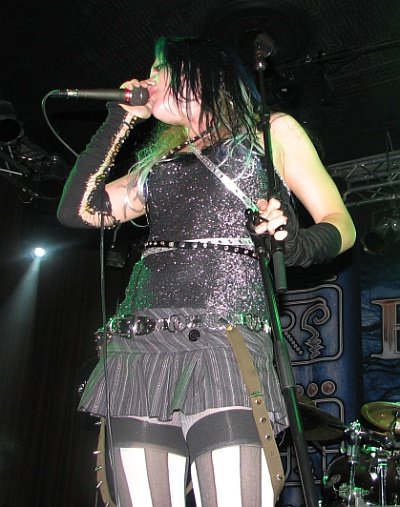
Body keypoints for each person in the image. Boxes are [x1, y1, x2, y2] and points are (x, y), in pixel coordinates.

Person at [57, 36, 356, 507]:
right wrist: (119, 119)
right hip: (141, 349)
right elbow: (80, 210)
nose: (148, 80)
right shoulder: (157, 163)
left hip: (226, 342)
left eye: (158, 70)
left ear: (197, 73)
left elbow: (342, 224)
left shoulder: (271, 132)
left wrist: (293, 244)